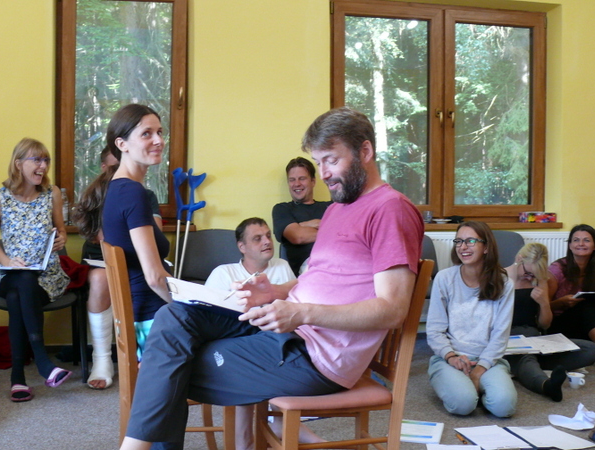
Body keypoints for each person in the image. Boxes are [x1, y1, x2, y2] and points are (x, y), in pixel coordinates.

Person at [118, 106, 424, 450]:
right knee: (174, 317)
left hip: (315, 356)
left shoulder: (391, 210)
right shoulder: (338, 209)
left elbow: (392, 310)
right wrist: (275, 291)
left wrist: (301, 312)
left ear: (365, 151)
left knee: (170, 364)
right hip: (286, 329)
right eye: (318, 162)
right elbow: (323, 278)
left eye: (331, 160)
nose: (323, 173)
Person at [204, 217, 307, 450]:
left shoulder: (281, 266)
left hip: (276, 344)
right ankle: (259, 436)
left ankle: (277, 426)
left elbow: (295, 308)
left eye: (268, 236)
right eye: (257, 238)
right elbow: (206, 317)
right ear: (242, 247)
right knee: (248, 363)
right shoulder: (223, 273)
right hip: (235, 349)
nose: (267, 242)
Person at [0, 137, 72, 402]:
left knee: (17, 296)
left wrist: (61, 239)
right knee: (21, 279)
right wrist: (7, 260)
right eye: (37, 160)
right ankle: (43, 362)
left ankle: (18, 378)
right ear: (18, 163)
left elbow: (61, 230)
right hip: (10, 274)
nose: (43, 166)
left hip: (46, 276)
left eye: (46, 160)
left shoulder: (52, 193)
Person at [76, 146, 164, 390]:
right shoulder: (105, 193)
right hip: (102, 260)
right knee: (102, 279)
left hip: (137, 261)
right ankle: (102, 358)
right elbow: (100, 237)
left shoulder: (141, 194)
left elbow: (154, 233)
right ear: (105, 168)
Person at [100, 104, 172, 359]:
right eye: (146, 134)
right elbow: (154, 278)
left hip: (142, 313)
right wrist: (190, 305)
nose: (159, 140)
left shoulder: (118, 188)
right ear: (122, 144)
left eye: (160, 132)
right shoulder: (132, 193)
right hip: (152, 320)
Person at [426, 221, 516, 417]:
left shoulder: (504, 283)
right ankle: (466, 388)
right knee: (463, 404)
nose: (463, 247)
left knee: (504, 406)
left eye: (471, 241)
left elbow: (500, 334)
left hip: (489, 360)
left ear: (486, 247)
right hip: (450, 358)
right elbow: (434, 329)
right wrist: (451, 357)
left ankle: (478, 386)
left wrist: (480, 369)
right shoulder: (444, 278)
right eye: (458, 241)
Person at [504, 243, 595, 402]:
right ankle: (546, 385)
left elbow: (545, 325)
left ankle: (525, 366)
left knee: (590, 349)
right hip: (510, 339)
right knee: (525, 357)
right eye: (528, 273)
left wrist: (544, 303)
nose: (530, 278)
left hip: (535, 339)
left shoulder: (539, 279)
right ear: (519, 259)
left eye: (534, 275)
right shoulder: (500, 277)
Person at [547, 224, 595, 361]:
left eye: (586, 240)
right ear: (570, 245)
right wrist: (561, 302)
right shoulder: (557, 268)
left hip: (589, 323)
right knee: (585, 306)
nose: (581, 244)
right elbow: (542, 308)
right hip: (560, 325)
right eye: (576, 240)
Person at [271, 157, 331, 275]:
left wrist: (302, 225)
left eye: (302, 179)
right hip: (309, 268)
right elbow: (298, 236)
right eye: (292, 180)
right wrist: (332, 229)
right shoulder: (282, 209)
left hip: (339, 260)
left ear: (313, 181)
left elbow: (350, 232)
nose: (297, 184)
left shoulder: (331, 207)